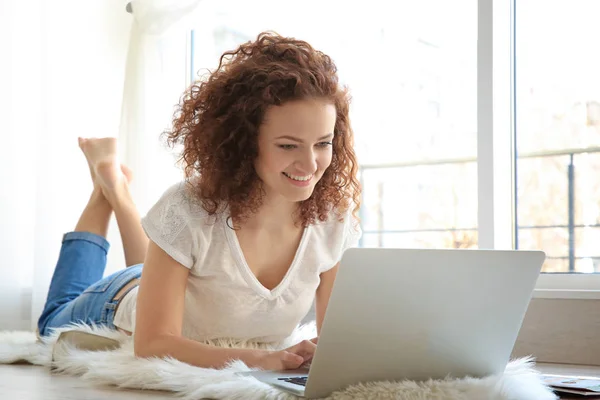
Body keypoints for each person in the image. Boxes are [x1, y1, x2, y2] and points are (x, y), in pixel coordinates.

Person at [37, 32, 361, 371]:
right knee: (51, 324)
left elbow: (336, 342)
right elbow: (151, 344)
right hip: (117, 300)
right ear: (244, 142)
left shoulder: (333, 220)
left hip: (173, 280)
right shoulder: (188, 206)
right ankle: (109, 191)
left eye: (323, 143)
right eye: (288, 146)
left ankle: (112, 184)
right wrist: (262, 360)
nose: (310, 165)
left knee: (155, 262)